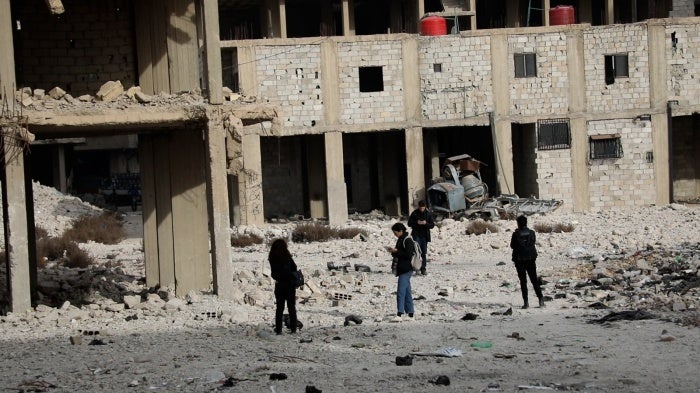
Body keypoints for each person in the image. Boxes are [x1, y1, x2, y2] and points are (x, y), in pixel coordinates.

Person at [510, 215, 545, 309]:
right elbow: (533, 243)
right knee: (534, 280)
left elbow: (512, 246)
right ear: (526, 223)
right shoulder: (532, 233)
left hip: (519, 260)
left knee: (523, 282)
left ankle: (526, 303)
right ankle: (541, 300)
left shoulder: (516, 234)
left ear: (518, 224)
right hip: (531, 258)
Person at [268, 238, 299, 334]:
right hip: (290, 284)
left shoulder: (272, 257)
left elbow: (273, 274)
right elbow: (294, 267)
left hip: (279, 285)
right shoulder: (287, 256)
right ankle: (293, 329)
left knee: (279, 308)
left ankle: (278, 330)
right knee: (291, 307)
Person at [388, 222, 415, 322]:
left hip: (406, 269)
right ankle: (411, 314)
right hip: (402, 268)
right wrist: (393, 252)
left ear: (400, 231)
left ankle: (399, 314)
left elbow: (408, 255)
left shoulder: (407, 240)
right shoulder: (400, 239)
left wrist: (396, 252)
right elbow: (399, 253)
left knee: (400, 292)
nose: (395, 234)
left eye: (395, 232)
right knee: (407, 292)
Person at [407, 200, 435, 275]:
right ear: (418, 207)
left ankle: (423, 268)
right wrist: (417, 222)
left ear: (425, 207)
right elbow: (409, 224)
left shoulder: (428, 214)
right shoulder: (414, 213)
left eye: (423, 208)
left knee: (423, 252)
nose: (422, 209)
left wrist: (426, 223)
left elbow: (432, 225)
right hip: (416, 235)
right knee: (416, 252)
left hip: (424, 236)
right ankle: (416, 268)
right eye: (420, 208)